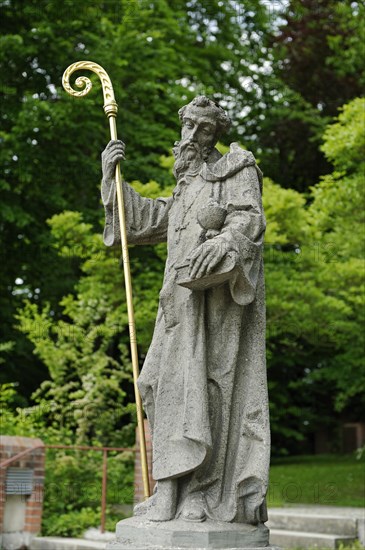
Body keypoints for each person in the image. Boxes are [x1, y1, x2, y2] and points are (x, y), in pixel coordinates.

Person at [101, 96, 270, 525]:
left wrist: (223, 242)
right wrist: (112, 179)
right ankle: (168, 489)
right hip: (175, 310)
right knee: (155, 385)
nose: (193, 136)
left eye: (205, 129)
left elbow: (249, 219)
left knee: (206, 394)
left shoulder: (235, 169)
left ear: (217, 133)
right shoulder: (186, 185)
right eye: (189, 126)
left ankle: (200, 494)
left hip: (212, 311)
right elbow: (141, 222)